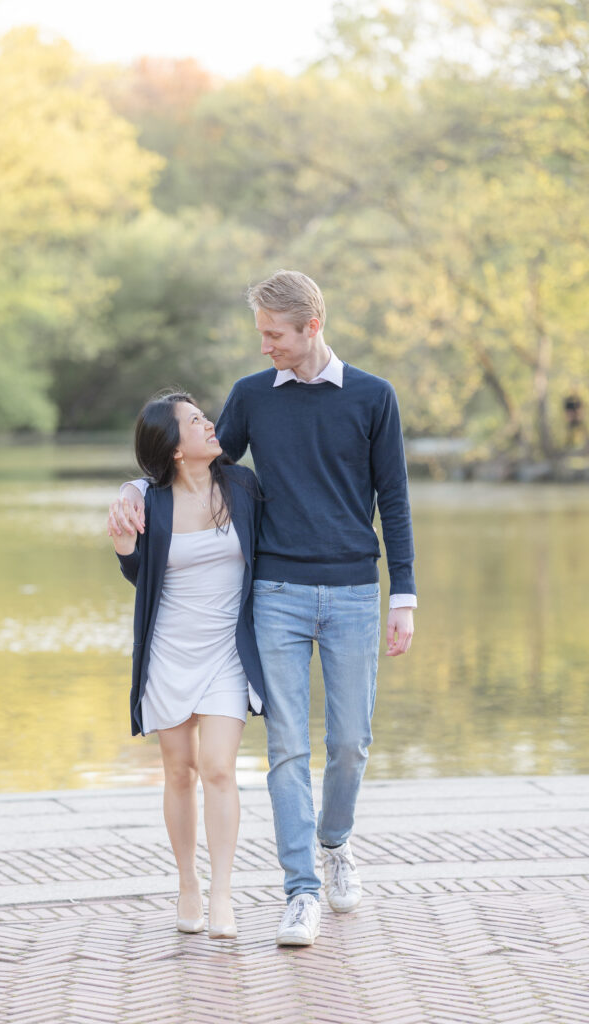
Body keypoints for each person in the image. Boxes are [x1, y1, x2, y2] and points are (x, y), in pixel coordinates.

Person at [109, 271, 416, 947]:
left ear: (311, 327)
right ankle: (299, 889)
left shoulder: (372, 396)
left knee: (348, 743)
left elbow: (392, 500)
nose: (264, 346)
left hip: (353, 593)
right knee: (285, 749)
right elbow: (192, 461)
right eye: (259, 334)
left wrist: (404, 597)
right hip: (274, 594)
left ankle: (333, 842)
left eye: (272, 334)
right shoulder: (252, 396)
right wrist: (133, 486)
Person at [108, 391, 266, 941]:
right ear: (175, 448)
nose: (209, 424)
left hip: (227, 653)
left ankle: (222, 891)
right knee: (179, 771)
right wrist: (127, 549)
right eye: (196, 421)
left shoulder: (241, 487)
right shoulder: (149, 503)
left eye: (205, 417)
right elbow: (141, 578)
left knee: (219, 767)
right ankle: (188, 884)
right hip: (169, 653)